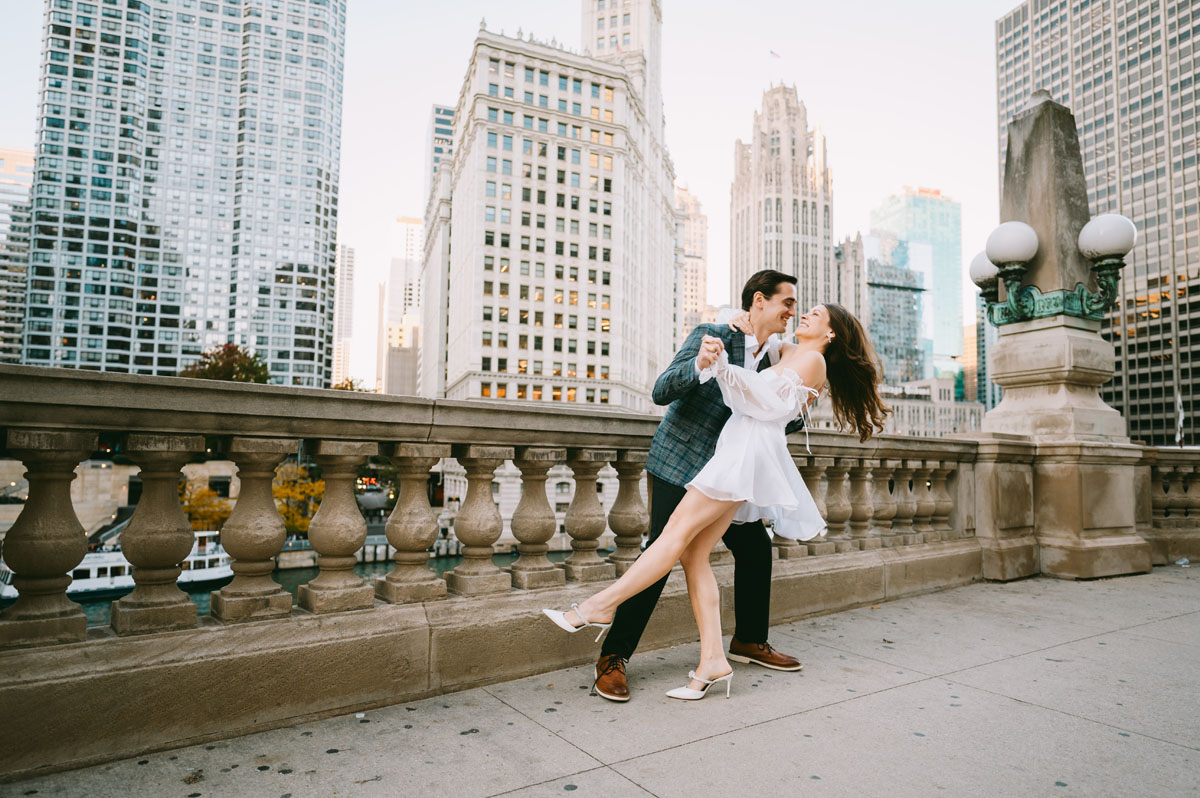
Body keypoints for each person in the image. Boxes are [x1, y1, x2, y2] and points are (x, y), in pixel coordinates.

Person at [543, 300, 889, 700]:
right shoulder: (791, 351)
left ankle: (597, 607)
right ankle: (712, 661)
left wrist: (722, 368)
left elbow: (766, 403)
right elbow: (757, 339)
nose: (803, 315)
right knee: (693, 555)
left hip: (746, 455)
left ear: (830, 333)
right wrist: (734, 324)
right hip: (736, 451)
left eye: (814, 314)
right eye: (798, 308)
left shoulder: (815, 361)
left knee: (673, 536)